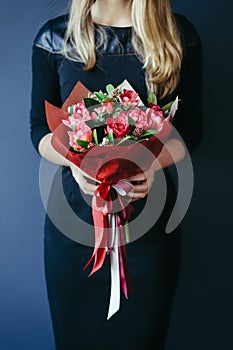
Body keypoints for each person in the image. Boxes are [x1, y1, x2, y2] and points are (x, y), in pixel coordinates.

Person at [30, 0, 202, 349]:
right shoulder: (54, 38)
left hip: (150, 233)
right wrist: (75, 161)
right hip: (73, 234)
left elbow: (191, 134)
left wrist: (150, 165)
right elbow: (38, 131)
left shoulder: (177, 34)